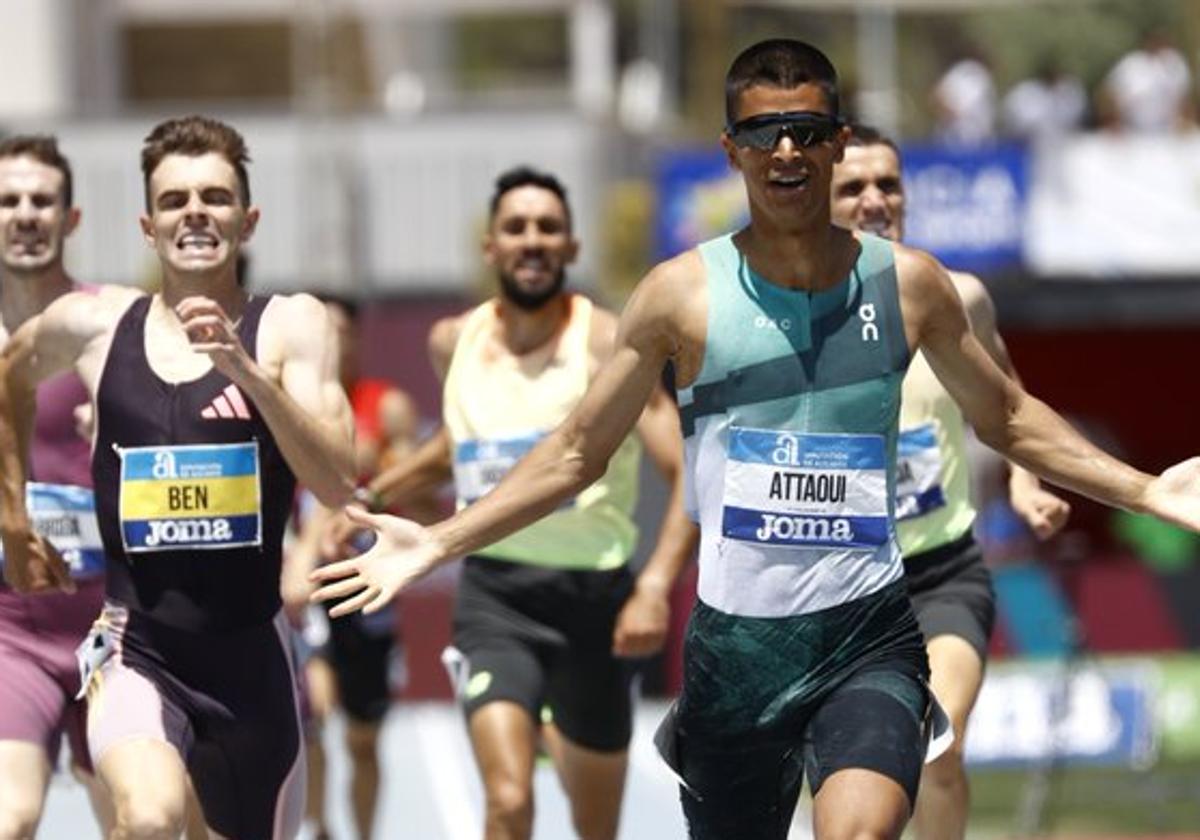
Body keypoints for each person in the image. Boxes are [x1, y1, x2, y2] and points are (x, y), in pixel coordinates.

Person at [311, 39, 1200, 840]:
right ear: (732, 149)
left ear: (837, 143)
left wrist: (1144, 488)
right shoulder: (679, 296)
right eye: (764, 134)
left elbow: (1004, 416)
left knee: (857, 831)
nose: (787, 152)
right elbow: (579, 449)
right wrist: (436, 539)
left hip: (869, 632)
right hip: (738, 649)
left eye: (809, 132)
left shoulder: (912, 288)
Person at [0, 115, 356, 840]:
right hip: (139, 648)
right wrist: (13, 516)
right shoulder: (94, 327)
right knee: (150, 817)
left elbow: (340, 478)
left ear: (247, 219)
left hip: (252, 660)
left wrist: (249, 375)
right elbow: (9, 378)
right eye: (174, 200)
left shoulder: (292, 326)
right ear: (148, 225)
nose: (195, 212)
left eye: (215, 197)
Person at [325, 165, 695, 840]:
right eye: (516, 228)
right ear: (491, 248)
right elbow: (455, 450)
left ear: (572, 248)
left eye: (549, 228)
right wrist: (368, 499)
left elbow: (685, 469)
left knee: (594, 827)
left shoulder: (608, 341)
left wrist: (655, 586)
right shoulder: (452, 342)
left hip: (595, 605)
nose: (533, 241)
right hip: (497, 600)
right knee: (507, 800)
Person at [830, 123, 1072, 840]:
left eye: (889, 184)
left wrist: (1026, 479)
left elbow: (1005, 399)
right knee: (848, 779)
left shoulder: (958, 297)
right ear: (819, 199)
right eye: (854, 187)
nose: (875, 199)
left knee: (938, 742)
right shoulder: (791, 316)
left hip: (941, 572)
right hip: (837, 583)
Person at [282, 295, 434, 840]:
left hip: (369, 585)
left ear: (357, 338)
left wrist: (381, 476)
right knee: (314, 721)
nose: (331, 341)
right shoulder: (285, 402)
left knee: (364, 737)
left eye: (341, 330)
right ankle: (321, 827)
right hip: (306, 585)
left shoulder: (386, 407)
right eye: (322, 330)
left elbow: (424, 501)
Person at [0, 135, 114, 839]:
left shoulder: (107, 324)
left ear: (70, 219)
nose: (26, 213)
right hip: (11, 629)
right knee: (9, 819)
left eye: (43, 200)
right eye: (9, 200)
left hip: (118, 626)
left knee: (143, 821)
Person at [1100, 29, 1194, 133]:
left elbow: (1184, 98)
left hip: (1168, 132)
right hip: (1131, 131)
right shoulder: (1130, 64)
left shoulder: (1175, 63)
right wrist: (1114, 123)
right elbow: (1108, 95)